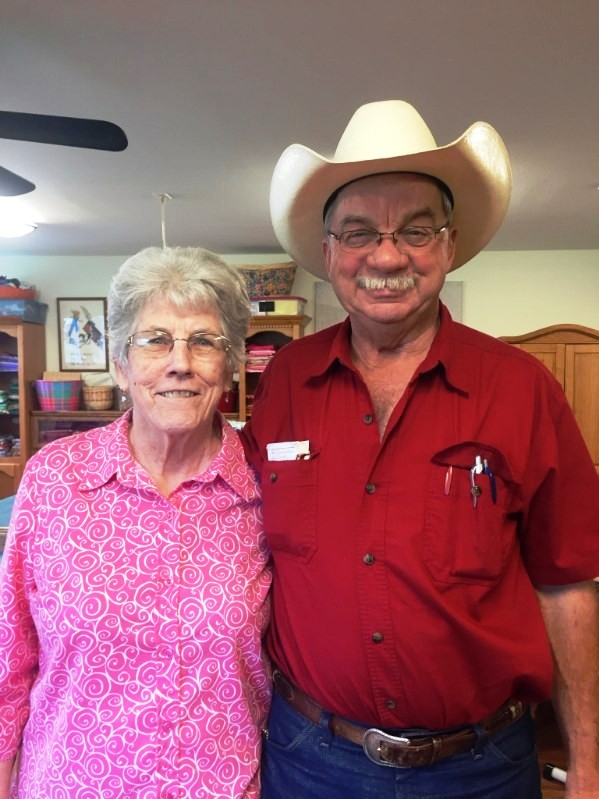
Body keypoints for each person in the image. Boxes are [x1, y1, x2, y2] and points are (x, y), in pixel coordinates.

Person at [241, 100, 599, 798]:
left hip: (480, 769)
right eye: (358, 233)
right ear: (329, 253)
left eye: (414, 229)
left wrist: (586, 761)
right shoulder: (283, 379)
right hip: (309, 760)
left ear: (448, 244)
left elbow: (567, 582)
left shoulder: (522, 387)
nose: (386, 256)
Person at [0, 246, 272, 798]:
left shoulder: (264, 484)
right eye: (155, 340)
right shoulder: (57, 477)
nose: (180, 362)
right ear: (121, 365)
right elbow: (11, 653)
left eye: (204, 341)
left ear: (230, 366)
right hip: (69, 784)